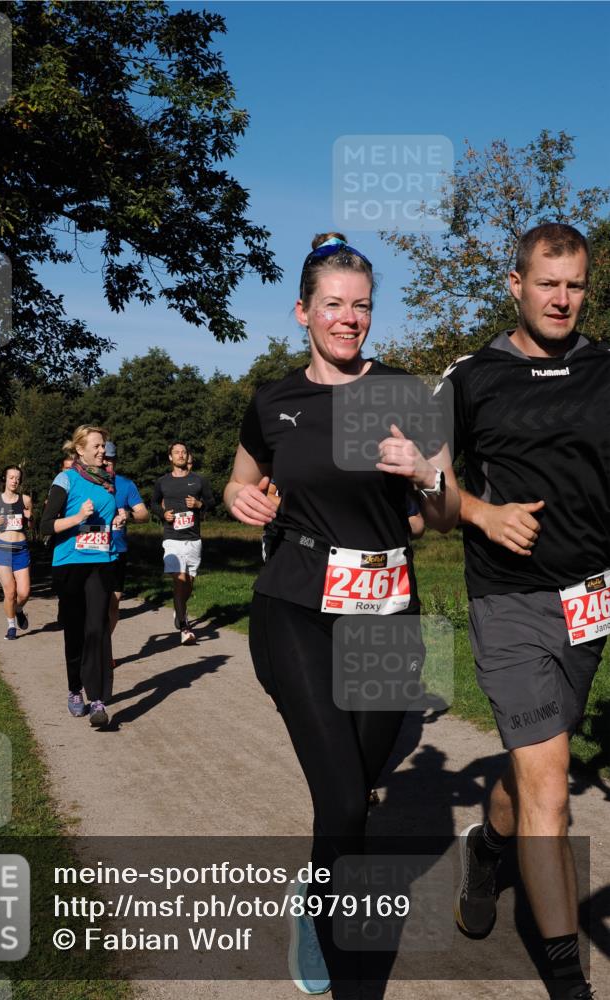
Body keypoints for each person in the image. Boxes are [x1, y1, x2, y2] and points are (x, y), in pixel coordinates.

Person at [224, 232, 459, 998]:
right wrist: (240, 498)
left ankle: (314, 894)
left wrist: (423, 474)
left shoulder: (404, 393)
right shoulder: (273, 400)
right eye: (332, 304)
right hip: (295, 604)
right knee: (343, 800)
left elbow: (446, 514)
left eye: (360, 305)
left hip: (386, 610)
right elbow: (241, 480)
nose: (348, 318)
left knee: (354, 797)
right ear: (303, 311)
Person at [440, 223, 608, 1000]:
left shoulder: (606, 369)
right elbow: (429, 501)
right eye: (547, 283)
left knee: (536, 768)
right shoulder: (471, 378)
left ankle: (486, 846)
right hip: (507, 600)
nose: (562, 299)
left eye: (575, 285)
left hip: (590, 603)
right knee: (551, 788)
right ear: (516, 285)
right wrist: (482, 512)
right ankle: (570, 984)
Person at [40, 425, 118, 726]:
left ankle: (97, 700)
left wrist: (119, 518)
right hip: (70, 563)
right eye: (96, 446)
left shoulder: (107, 482)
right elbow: (45, 525)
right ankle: (75, 689)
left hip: (100, 561)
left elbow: (105, 520)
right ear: (80, 450)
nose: (102, 451)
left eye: (103, 446)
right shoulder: (66, 479)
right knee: (75, 631)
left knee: (97, 628)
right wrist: (77, 518)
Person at [151, 442, 215, 644]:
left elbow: (212, 502)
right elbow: (153, 503)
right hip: (172, 538)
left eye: (183, 452)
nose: (180, 455)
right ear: (170, 457)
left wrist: (199, 504)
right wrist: (163, 514)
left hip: (193, 538)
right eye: (176, 452)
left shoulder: (199, 480)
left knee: (188, 584)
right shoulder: (162, 482)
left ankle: (180, 610)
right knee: (179, 580)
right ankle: (185, 627)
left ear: (188, 456)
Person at [101, 441, 149, 659]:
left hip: (117, 551)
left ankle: (104, 647)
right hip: (92, 551)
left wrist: (128, 515)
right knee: (95, 602)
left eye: (110, 460)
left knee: (114, 602)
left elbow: (144, 514)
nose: (106, 464)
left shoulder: (126, 485)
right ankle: (94, 647)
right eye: (104, 460)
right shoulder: (86, 483)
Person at [0, 466, 33, 640]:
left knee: (24, 593)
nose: (14, 481)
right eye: (11, 477)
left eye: (17, 478)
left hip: (20, 550)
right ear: (5, 479)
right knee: (10, 592)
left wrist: (30, 518)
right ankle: (11, 627)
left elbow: (31, 525)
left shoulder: (25, 500)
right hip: (2, 550)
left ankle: (18, 609)